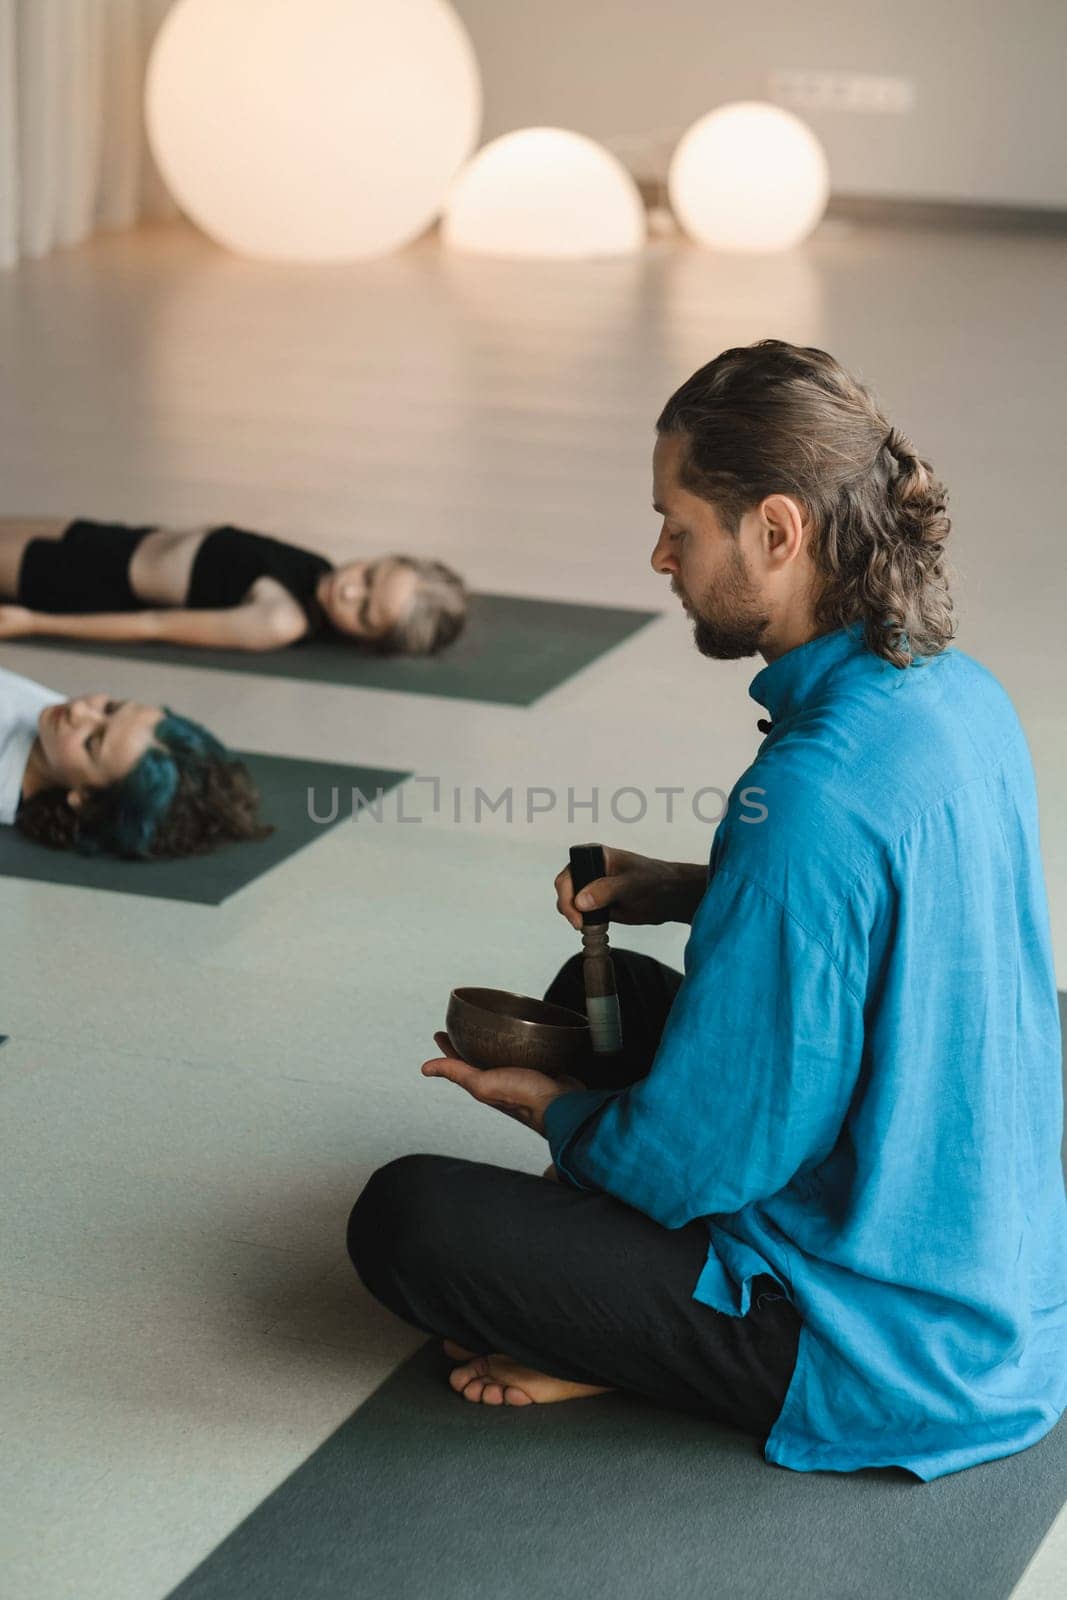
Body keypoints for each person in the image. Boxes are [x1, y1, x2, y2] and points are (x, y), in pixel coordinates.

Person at [346, 338, 1067, 1482]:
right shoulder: (952, 690)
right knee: (609, 995)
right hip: (994, 1268)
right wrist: (686, 889)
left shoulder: (807, 792)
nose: (658, 555)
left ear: (775, 532)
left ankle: (614, 1341)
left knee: (406, 1218)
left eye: (678, 527)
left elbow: (716, 1149)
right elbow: (885, 921)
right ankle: (603, 1293)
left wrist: (556, 1117)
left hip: (874, 1338)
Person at [0, 516, 467, 656]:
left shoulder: (280, 619)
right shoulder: (319, 569)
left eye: (363, 612)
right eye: (369, 577)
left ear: (367, 639)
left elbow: (155, 624)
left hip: (83, 577)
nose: (349, 591)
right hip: (116, 539)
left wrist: (33, 621)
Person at [0, 663, 271, 857]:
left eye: (91, 742)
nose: (80, 710)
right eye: (110, 708)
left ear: (84, 798)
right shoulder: (52, 731)